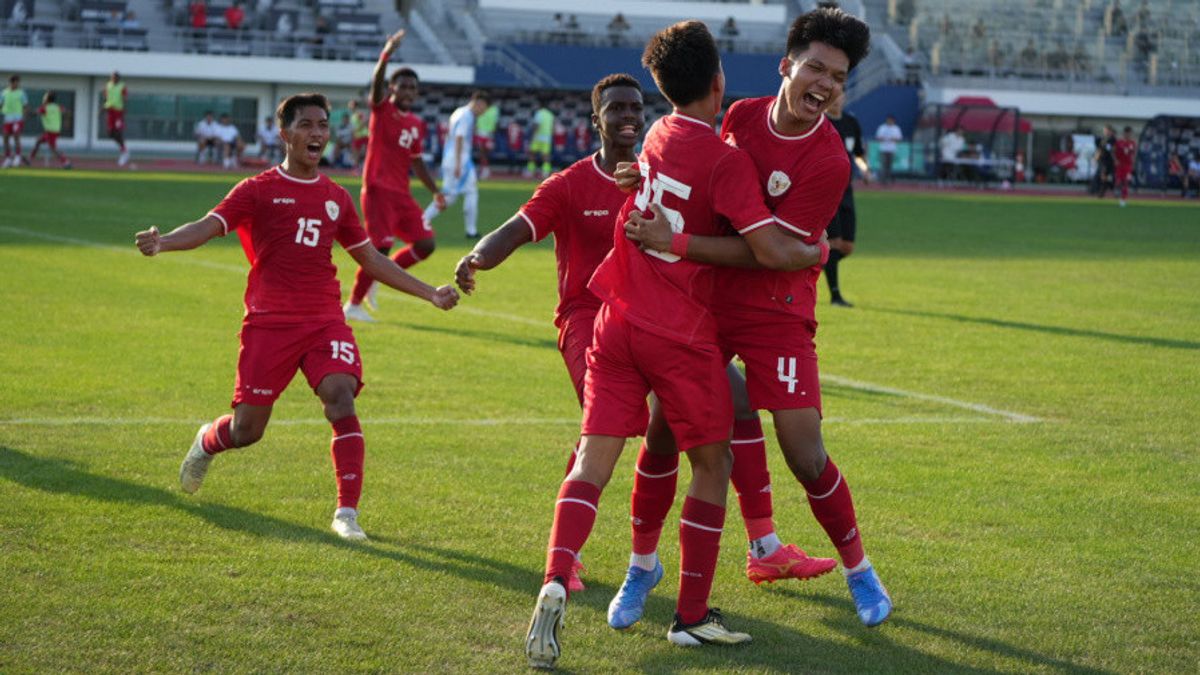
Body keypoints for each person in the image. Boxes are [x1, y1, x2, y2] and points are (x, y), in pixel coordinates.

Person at [523, 21, 830, 669]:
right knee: (713, 465)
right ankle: (691, 615)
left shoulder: (657, 134)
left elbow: (648, 182)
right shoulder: (725, 159)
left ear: (659, 90)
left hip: (615, 319)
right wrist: (814, 248)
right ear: (719, 82)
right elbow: (767, 249)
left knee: (592, 462)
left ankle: (556, 575)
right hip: (678, 332)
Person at [622, 5, 891, 631]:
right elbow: (703, 186)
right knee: (663, 429)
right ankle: (642, 565)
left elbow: (770, 257)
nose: (825, 86)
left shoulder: (827, 160)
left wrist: (676, 242)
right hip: (710, 305)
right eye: (816, 68)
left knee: (806, 454)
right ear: (786, 66)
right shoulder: (738, 117)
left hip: (777, 311)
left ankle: (860, 570)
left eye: (838, 78)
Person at [133, 92, 459, 541]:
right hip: (269, 322)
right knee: (248, 430)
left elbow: (370, 258)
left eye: (323, 125)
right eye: (306, 125)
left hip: (324, 319)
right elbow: (208, 226)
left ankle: (347, 514)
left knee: (340, 394)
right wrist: (164, 241)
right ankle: (208, 440)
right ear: (284, 133)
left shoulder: (336, 198)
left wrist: (430, 293)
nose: (318, 134)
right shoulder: (257, 190)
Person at [343, 31, 445, 322]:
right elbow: (375, 86)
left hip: (401, 193)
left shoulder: (416, 124)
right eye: (403, 86)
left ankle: (377, 278)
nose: (409, 91)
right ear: (392, 89)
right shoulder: (382, 109)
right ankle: (353, 304)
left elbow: (418, 163)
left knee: (426, 244)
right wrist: (386, 53)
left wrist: (434, 190)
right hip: (377, 190)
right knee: (380, 248)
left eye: (413, 88)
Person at [422, 90, 490, 240]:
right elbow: (459, 137)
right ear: (480, 103)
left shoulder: (459, 112)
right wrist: (459, 163)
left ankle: (470, 230)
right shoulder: (466, 116)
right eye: (484, 108)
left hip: (452, 158)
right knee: (453, 196)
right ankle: (422, 221)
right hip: (459, 160)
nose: (483, 112)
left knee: (466, 192)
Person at [825, 92, 871, 307]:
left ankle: (815, 266)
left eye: (840, 94)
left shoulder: (851, 122)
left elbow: (859, 154)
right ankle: (835, 296)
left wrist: (865, 169)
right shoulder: (820, 122)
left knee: (846, 247)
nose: (836, 98)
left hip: (847, 190)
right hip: (826, 191)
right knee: (833, 242)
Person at [28, 91, 71, 169]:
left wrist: (28, 111)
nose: (43, 98)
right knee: (38, 141)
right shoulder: (57, 107)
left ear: (47, 99)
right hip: (55, 130)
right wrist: (66, 122)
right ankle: (30, 158)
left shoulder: (45, 108)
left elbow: (34, 113)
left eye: (44, 97)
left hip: (50, 131)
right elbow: (67, 112)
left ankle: (66, 162)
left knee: (53, 148)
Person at [103, 71, 130, 167]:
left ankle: (124, 153)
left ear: (118, 78)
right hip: (110, 111)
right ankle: (124, 149)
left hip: (118, 112)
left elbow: (125, 98)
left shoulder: (122, 86)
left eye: (115, 77)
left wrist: (124, 109)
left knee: (118, 132)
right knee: (110, 133)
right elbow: (106, 98)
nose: (113, 79)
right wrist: (103, 108)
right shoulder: (108, 85)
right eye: (111, 77)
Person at [2, 74, 28, 168]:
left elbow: (25, 106)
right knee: (5, 138)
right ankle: (8, 158)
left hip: (17, 119)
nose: (17, 84)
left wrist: (23, 117)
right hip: (7, 119)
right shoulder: (4, 92)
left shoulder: (21, 93)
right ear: (11, 82)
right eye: (15, 82)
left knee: (16, 136)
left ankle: (17, 157)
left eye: (18, 82)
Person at [526, 99, 554, 178]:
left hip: (538, 137)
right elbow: (552, 128)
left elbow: (536, 125)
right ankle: (545, 172)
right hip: (547, 138)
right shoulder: (550, 114)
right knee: (545, 155)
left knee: (532, 153)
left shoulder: (539, 113)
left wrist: (532, 135)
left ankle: (530, 171)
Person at [473, 100, 498, 179]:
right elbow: (477, 120)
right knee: (481, 153)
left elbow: (496, 122)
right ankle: (484, 169)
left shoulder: (494, 109)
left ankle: (485, 169)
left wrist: (493, 133)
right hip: (480, 133)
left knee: (485, 153)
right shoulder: (481, 108)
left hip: (489, 134)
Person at [874, 114, 902, 184]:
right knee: (883, 165)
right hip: (883, 149)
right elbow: (878, 137)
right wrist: (883, 138)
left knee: (889, 166)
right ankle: (882, 180)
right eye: (889, 120)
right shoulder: (882, 127)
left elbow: (899, 139)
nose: (890, 121)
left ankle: (888, 180)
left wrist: (894, 139)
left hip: (892, 149)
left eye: (891, 120)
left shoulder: (896, 128)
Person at [1113, 126, 1136, 206]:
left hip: (1128, 166)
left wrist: (1133, 164)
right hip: (1120, 165)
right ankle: (1117, 191)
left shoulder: (1132, 143)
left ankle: (1123, 199)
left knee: (1125, 182)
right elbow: (1114, 152)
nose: (1128, 135)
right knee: (1118, 181)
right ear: (1124, 133)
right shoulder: (1119, 142)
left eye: (1129, 133)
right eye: (1126, 133)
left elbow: (1133, 154)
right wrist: (1115, 160)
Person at [1093, 125, 1115, 197]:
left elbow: (1113, 151)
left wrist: (1115, 159)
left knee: (1106, 176)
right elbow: (1099, 150)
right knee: (1102, 176)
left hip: (1109, 161)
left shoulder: (1112, 140)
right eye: (1105, 130)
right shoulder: (1102, 140)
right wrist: (1096, 158)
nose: (1105, 132)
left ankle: (1106, 189)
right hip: (1103, 161)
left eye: (1107, 130)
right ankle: (1101, 191)